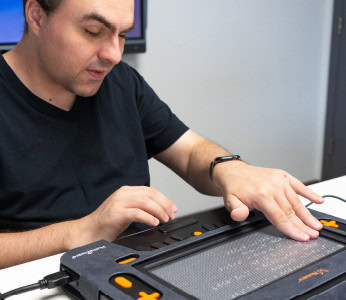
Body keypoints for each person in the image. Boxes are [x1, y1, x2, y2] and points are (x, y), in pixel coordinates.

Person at [0, 0, 324, 269]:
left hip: (140, 265)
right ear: (36, 15)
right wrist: (81, 232)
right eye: (92, 31)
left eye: (123, 34)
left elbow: (189, 150)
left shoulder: (122, 83)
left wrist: (230, 168)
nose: (114, 54)